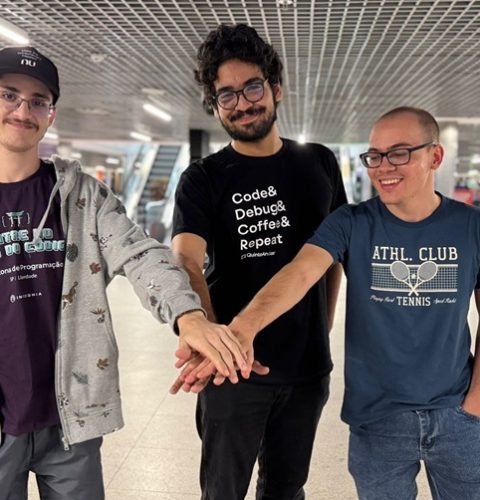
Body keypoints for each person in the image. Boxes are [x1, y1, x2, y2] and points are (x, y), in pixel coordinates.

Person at [0, 45, 248, 500]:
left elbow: (141, 254)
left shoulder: (83, 197)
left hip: (71, 418)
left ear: (51, 115)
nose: (22, 110)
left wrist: (189, 316)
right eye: (9, 95)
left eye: (37, 101)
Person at [218, 107, 480, 499]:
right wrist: (243, 328)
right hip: (378, 420)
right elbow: (300, 273)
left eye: (399, 153)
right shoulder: (351, 222)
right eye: (374, 155)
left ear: (435, 156)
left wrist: (475, 405)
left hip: (457, 413)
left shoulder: (471, 226)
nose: (383, 167)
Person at [171, 23, 347, 500]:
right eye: (226, 95)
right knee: (222, 491)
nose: (242, 104)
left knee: (287, 490)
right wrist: (210, 337)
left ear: (275, 88)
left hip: (307, 369)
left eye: (252, 87)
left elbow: (333, 257)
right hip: (232, 370)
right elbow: (186, 260)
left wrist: (324, 323)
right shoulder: (203, 178)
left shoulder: (320, 163)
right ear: (214, 105)